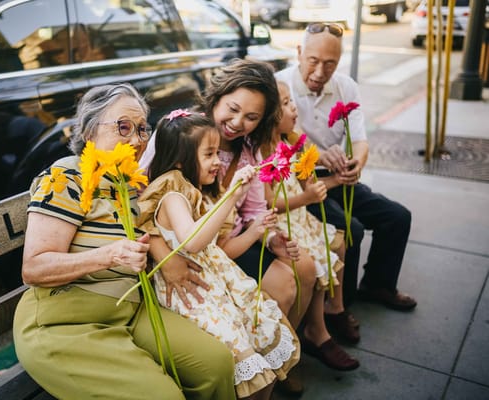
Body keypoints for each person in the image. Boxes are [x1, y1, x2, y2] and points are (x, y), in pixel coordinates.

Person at [12, 83, 236, 400]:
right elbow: (34, 268)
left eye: (142, 129)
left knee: (217, 364)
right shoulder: (66, 177)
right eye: (123, 127)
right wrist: (110, 255)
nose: (136, 139)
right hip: (66, 324)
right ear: (90, 132)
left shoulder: (128, 184)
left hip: (130, 313)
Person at [138, 110, 300, 400]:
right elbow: (193, 242)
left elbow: (214, 246)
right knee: (244, 359)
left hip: (216, 288)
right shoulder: (173, 195)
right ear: (179, 159)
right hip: (193, 297)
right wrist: (231, 194)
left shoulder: (193, 193)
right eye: (209, 154)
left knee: (257, 344)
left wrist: (252, 227)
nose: (217, 162)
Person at [275, 22, 417, 311]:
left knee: (397, 217)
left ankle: (378, 285)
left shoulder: (346, 86)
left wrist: (356, 165)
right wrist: (318, 155)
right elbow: (288, 137)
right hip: (301, 182)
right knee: (351, 229)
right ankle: (340, 308)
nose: (319, 72)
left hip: (339, 176)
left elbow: (361, 140)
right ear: (299, 52)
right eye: (313, 61)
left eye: (330, 64)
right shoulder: (280, 85)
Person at [262, 80, 360, 363]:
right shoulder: (264, 154)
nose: (294, 108)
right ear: (270, 115)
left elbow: (310, 181)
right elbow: (270, 202)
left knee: (338, 243)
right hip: (284, 221)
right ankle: (317, 331)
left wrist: (330, 181)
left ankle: (334, 310)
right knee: (318, 256)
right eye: (285, 104)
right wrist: (307, 197)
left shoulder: (291, 142)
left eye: (291, 101)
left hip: (301, 217)